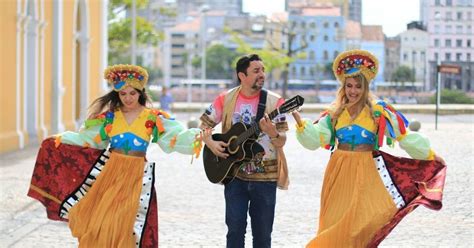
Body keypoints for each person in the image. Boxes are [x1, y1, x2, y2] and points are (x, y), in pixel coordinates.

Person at [28, 64, 202, 247]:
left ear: (140, 92)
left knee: (126, 225)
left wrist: (200, 137)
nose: (128, 98)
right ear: (117, 94)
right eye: (123, 94)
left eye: (132, 93)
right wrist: (59, 140)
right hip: (109, 175)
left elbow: (174, 138)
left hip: (136, 176)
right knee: (102, 223)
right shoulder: (110, 118)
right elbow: (88, 140)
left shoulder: (152, 118)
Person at [293, 49, 447, 247]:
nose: (353, 91)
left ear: (365, 87)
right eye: (349, 86)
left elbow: (404, 136)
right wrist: (300, 123)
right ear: (343, 87)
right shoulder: (334, 113)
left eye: (358, 86)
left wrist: (431, 156)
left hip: (367, 171)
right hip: (338, 172)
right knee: (334, 222)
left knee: (361, 224)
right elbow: (315, 139)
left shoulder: (378, 111)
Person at [199, 54, 289, 248]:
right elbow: (203, 126)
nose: (262, 74)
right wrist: (211, 144)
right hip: (234, 175)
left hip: (265, 178)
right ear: (242, 75)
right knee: (234, 231)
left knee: (263, 235)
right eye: (256, 71)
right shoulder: (225, 98)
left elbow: (281, 141)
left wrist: (273, 133)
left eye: (263, 70)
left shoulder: (276, 102)